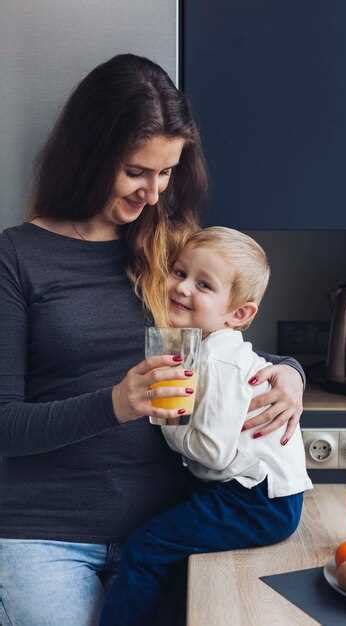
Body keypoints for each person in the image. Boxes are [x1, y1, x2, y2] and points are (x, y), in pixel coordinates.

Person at [0, 55, 305, 626]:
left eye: (166, 173)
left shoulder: (175, 249)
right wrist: (114, 405)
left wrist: (290, 375)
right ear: (91, 154)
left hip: (172, 526)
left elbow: (231, 345)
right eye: (138, 171)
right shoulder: (15, 258)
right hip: (45, 536)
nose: (153, 192)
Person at [100, 227, 313, 626]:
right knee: (169, 546)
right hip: (251, 493)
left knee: (145, 548)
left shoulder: (219, 360)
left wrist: (164, 418)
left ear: (240, 314)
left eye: (203, 284)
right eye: (179, 273)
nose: (181, 288)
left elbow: (213, 451)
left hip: (256, 501)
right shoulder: (207, 346)